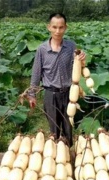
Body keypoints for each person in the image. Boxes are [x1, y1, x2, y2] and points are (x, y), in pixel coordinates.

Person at [27, 13, 86, 147]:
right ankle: (54, 159)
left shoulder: (71, 47)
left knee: (68, 128)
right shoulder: (42, 50)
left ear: (66, 28)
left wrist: (82, 59)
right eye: (54, 27)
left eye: (61, 27)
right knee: (54, 130)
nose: (57, 31)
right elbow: (36, 74)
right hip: (50, 94)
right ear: (49, 27)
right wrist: (32, 94)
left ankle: (68, 156)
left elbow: (78, 68)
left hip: (68, 94)